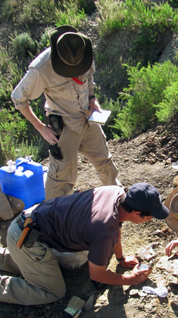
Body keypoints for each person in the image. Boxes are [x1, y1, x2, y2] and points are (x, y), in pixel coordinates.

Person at [0, 183, 169, 305]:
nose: (150, 219)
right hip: (28, 240)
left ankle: (8, 259)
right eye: (149, 217)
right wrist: (129, 280)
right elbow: (96, 275)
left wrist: (121, 258)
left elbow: (115, 229)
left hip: (28, 221)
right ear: (136, 213)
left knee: (36, 264)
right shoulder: (104, 231)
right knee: (53, 292)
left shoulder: (115, 192)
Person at [11, 25, 120, 200]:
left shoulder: (82, 52)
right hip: (65, 126)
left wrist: (92, 99)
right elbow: (18, 99)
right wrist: (40, 127)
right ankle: (52, 217)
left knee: (105, 162)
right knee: (62, 178)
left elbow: (89, 77)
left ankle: (118, 198)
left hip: (88, 119)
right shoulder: (41, 68)